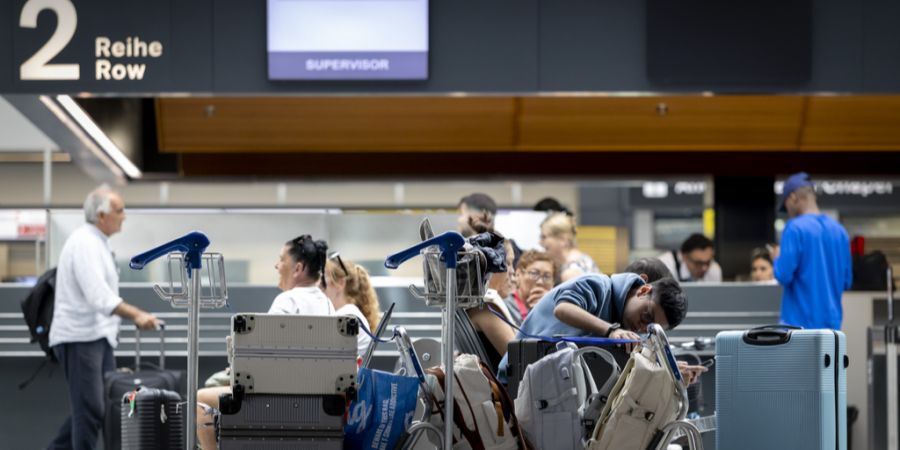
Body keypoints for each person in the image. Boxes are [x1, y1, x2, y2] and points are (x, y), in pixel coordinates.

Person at [47, 186, 163, 450]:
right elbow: (98, 295)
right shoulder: (84, 243)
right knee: (89, 410)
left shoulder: (97, 242)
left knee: (94, 408)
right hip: (80, 338)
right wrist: (136, 314)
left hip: (98, 337)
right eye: (119, 211)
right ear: (101, 215)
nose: (124, 216)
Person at [196, 235, 332, 450]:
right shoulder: (326, 304)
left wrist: (240, 367)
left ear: (298, 268)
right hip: (316, 400)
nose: (277, 265)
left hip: (276, 400)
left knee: (201, 400)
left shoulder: (287, 301)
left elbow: (266, 361)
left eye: (281, 260)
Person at [497, 272, 688, 381]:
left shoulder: (623, 325)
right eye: (647, 315)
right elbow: (563, 309)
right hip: (517, 382)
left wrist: (666, 370)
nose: (641, 326)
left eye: (649, 328)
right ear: (643, 291)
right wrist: (611, 331)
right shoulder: (598, 286)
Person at [774, 172, 852, 329]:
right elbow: (846, 282)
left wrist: (777, 258)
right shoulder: (840, 231)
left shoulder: (794, 228)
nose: (788, 210)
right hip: (832, 327)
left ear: (793, 197)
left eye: (786, 205)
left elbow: (783, 275)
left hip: (798, 328)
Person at [322, 252, 379, 358]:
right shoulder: (349, 314)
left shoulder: (347, 317)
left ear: (340, 283)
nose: (318, 285)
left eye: (323, 278)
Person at [540, 212, 600, 283]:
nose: (540, 242)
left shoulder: (571, 273)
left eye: (544, 237)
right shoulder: (581, 260)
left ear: (562, 239)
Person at [507, 250, 556, 322]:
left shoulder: (556, 309)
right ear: (518, 274)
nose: (540, 282)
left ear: (553, 283)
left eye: (547, 276)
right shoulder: (505, 305)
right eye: (534, 273)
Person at [658, 233, 723, 282]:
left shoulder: (714, 269)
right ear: (684, 257)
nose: (704, 268)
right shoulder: (663, 266)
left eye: (708, 262)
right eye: (698, 263)